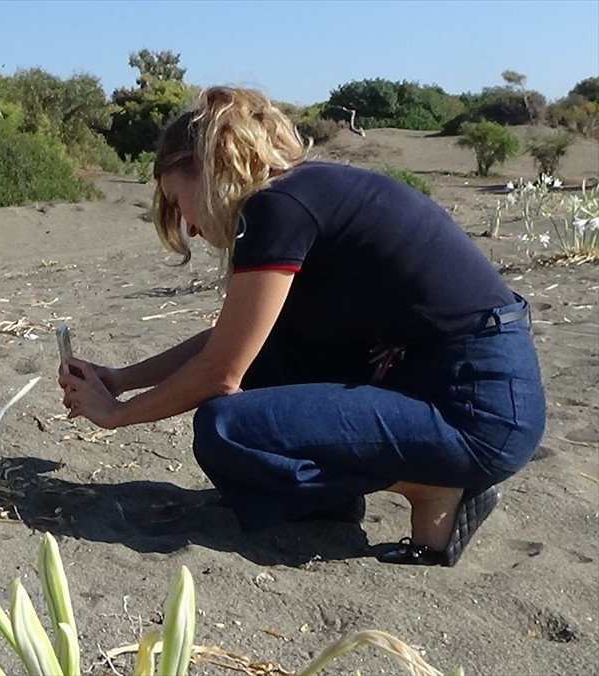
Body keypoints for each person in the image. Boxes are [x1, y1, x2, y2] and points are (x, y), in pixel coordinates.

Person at [58, 86, 546, 567]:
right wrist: (120, 379)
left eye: (176, 199)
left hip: (476, 409)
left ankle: (434, 486)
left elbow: (219, 375)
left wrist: (117, 415)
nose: (187, 226)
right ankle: (328, 501)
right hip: (472, 387)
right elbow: (237, 345)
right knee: (271, 360)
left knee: (225, 429)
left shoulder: (276, 208)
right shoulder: (303, 193)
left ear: (207, 172)